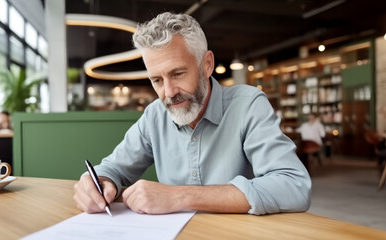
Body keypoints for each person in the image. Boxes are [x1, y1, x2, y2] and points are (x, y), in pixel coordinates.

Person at [74, 12, 311, 215]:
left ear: (207, 64)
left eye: (177, 74)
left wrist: (180, 196)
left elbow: (293, 186)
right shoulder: (155, 115)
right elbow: (113, 168)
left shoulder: (248, 105)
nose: (168, 92)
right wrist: (99, 182)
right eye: (157, 80)